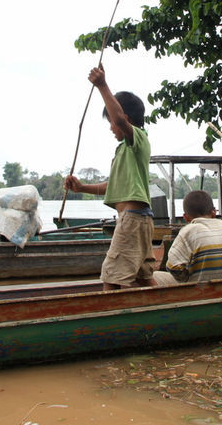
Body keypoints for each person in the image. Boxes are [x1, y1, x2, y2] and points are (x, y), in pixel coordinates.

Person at [64, 64, 156, 290]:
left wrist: (102, 86)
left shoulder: (138, 139)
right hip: (140, 220)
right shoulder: (124, 149)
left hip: (132, 219)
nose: (111, 128)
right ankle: (168, 310)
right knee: (144, 278)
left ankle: (110, 320)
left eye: (111, 123)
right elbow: (114, 186)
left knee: (111, 279)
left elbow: (121, 122)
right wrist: (82, 188)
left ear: (123, 118)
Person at [153, 190, 222, 286]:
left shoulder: (188, 232)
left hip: (198, 290)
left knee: (155, 275)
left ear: (186, 217)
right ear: (214, 213)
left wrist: (186, 279)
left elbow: (173, 267)